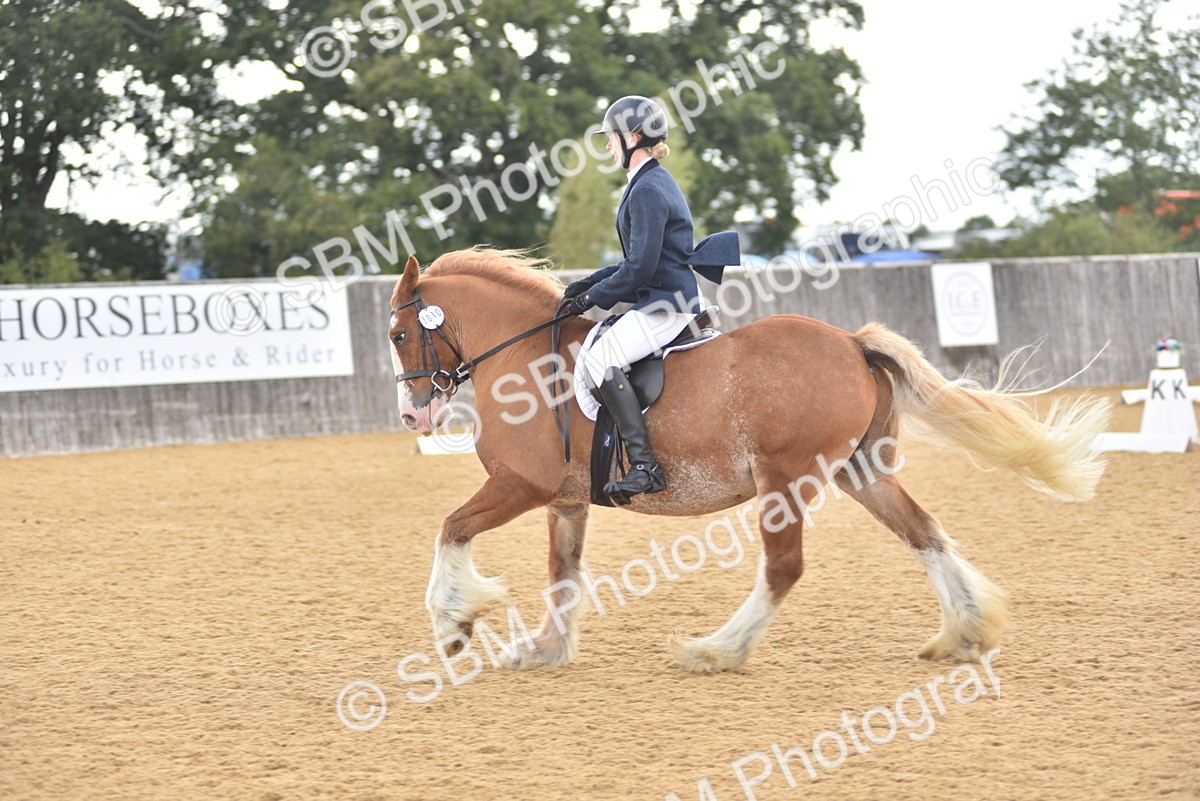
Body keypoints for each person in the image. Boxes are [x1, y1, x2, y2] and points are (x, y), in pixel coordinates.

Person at [563, 95, 739, 503]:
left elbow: (640, 268)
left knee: (600, 358)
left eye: (611, 138)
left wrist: (592, 298)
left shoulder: (647, 189)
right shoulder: (650, 181)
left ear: (633, 137)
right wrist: (585, 284)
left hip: (665, 302)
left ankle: (645, 466)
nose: (607, 146)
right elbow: (637, 259)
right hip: (662, 295)